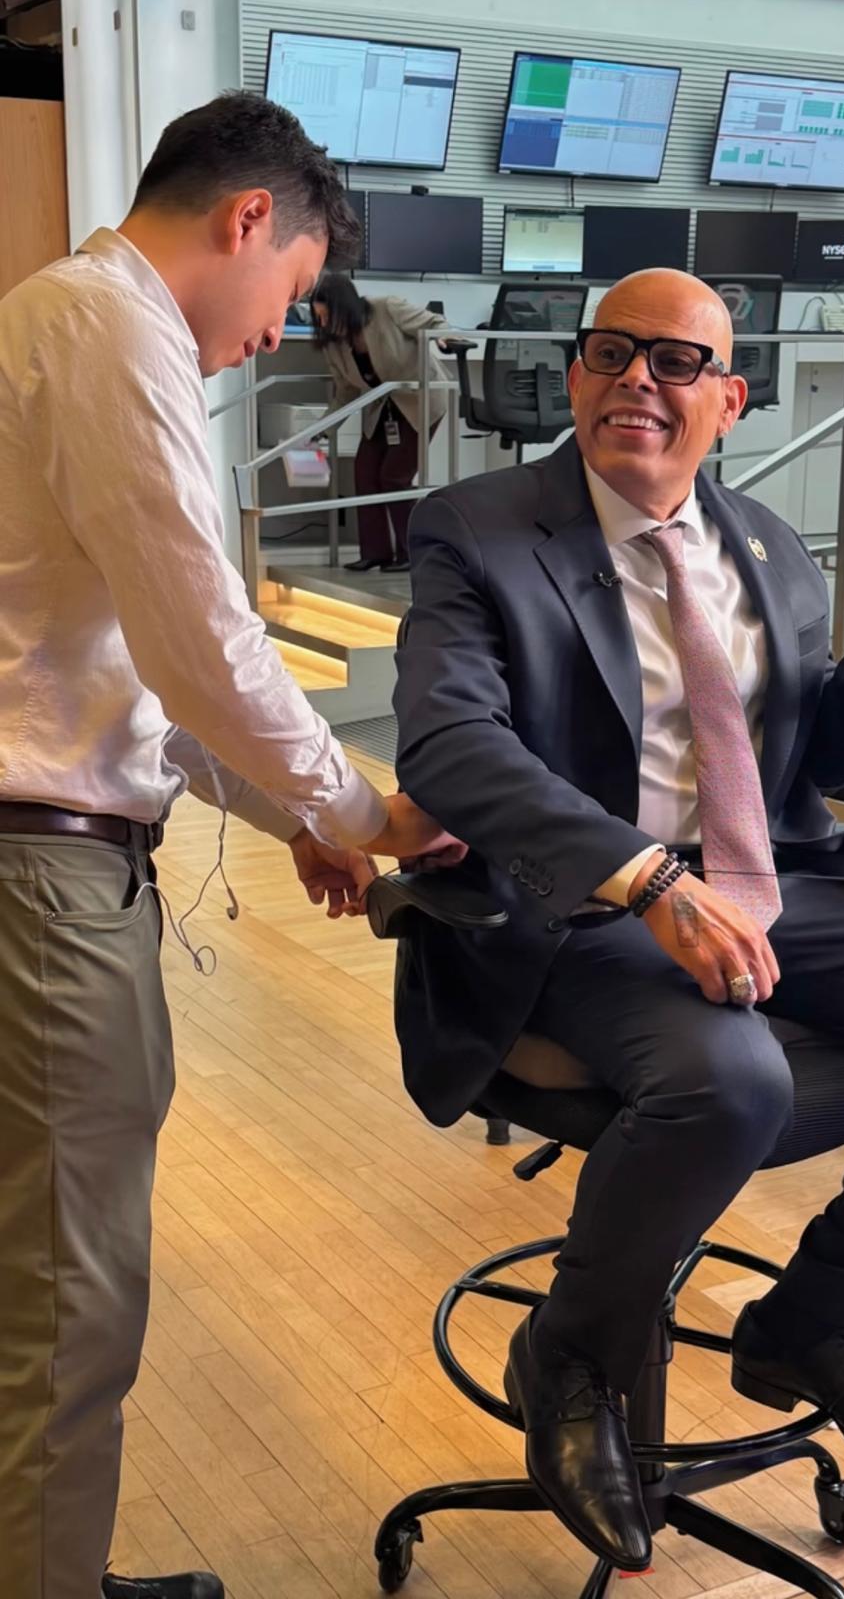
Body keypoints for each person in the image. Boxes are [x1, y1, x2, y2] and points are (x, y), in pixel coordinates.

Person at [393, 267, 844, 1571]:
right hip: (584, 905)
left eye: (674, 360)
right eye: (610, 354)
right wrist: (646, 879)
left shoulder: (763, 541)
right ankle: (570, 1357)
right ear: (575, 377)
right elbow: (449, 745)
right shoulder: (478, 529)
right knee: (732, 1081)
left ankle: (816, 1321)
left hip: (776, 880)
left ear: (729, 399)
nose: (636, 381)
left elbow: (796, 761)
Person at [0, 92, 463, 1599]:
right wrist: (364, 810)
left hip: (54, 854)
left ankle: (49, 1562)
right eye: (292, 291)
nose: (274, 336)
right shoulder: (104, 323)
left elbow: (136, 679)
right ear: (249, 218)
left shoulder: (64, 321)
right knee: (71, 1301)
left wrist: (297, 813)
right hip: (41, 879)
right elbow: (203, 646)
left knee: (42, 1274)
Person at [311, 274, 450, 573]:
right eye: (318, 318)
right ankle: (376, 553)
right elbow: (346, 392)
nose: (323, 324)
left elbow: (434, 323)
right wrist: (320, 430)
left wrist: (443, 338)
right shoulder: (333, 345)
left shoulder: (386, 308)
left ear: (344, 307)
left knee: (394, 477)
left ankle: (411, 554)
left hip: (419, 400)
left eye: (327, 316)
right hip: (381, 408)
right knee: (364, 473)